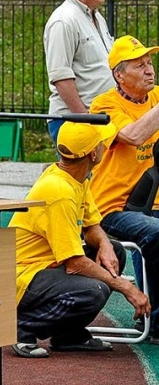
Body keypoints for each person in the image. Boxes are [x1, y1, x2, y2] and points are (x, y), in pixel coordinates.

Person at [9, 120, 150, 358]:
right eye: (102, 142)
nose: (107, 145)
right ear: (93, 153)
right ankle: (23, 327)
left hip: (46, 267)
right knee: (93, 290)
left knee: (114, 252)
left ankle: (68, 335)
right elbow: (74, 263)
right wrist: (126, 287)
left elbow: (91, 225)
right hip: (23, 277)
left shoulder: (76, 178)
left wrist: (104, 245)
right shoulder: (59, 191)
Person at [90, 34, 159, 344]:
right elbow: (131, 135)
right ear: (119, 75)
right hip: (113, 206)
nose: (149, 70)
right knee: (155, 233)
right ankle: (155, 319)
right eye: (139, 65)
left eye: (149, 62)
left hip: (151, 202)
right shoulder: (103, 104)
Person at [44, 0, 118, 143]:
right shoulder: (63, 20)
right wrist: (85, 120)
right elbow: (61, 77)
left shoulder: (96, 17)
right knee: (81, 173)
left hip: (98, 118)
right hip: (75, 121)